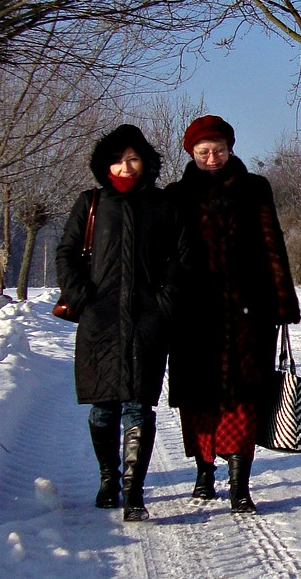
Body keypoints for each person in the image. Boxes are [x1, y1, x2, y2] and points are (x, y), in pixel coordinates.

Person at [165, 115, 300, 514]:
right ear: (191, 152)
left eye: (219, 150)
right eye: (204, 151)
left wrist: (281, 302)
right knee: (199, 398)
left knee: (244, 398)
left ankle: (240, 486)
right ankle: (204, 473)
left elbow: (272, 243)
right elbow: (165, 255)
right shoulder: (176, 195)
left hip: (248, 313)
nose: (212, 158)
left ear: (231, 149)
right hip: (194, 314)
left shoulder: (255, 189)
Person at [56, 124, 189, 522]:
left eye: (133, 158)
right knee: (103, 407)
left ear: (146, 162)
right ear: (105, 164)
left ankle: (134, 490)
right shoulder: (91, 202)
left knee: (138, 405)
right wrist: (83, 298)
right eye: (118, 159)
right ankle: (108, 478)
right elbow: (66, 254)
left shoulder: (163, 205)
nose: (126, 166)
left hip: (147, 320)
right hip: (101, 320)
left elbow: (181, 258)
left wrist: (165, 302)